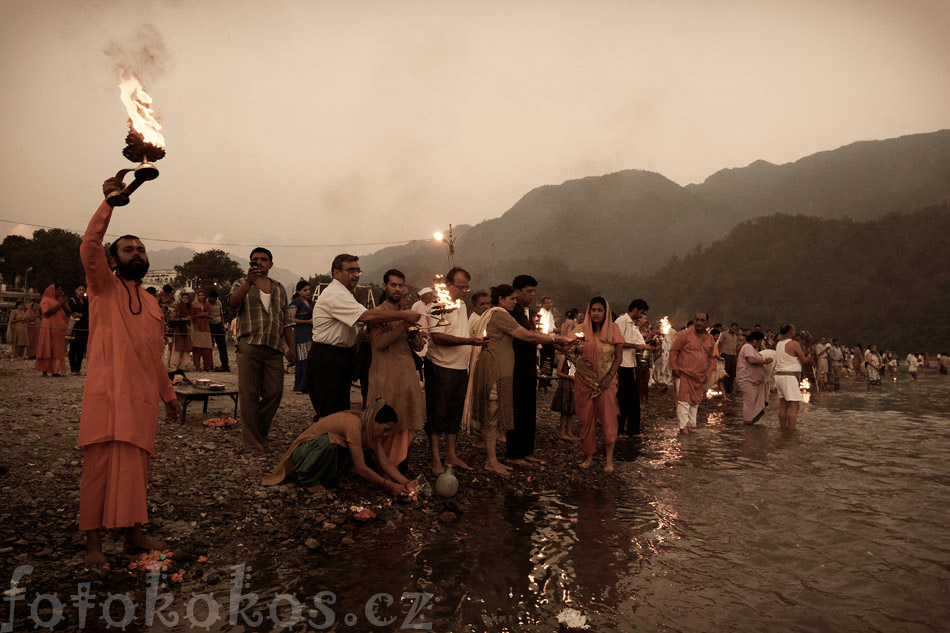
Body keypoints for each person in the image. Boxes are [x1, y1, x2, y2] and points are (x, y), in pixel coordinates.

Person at [78, 180, 182, 571]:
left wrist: (168, 396)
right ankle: (93, 542)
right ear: (113, 257)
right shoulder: (102, 287)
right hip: (107, 398)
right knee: (99, 471)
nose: (136, 254)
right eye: (127, 249)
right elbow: (88, 247)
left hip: (141, 403)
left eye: (140, 249)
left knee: (137, 469)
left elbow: (154, 356)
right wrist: (108, 205)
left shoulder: (154, 303)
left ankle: (133, 535)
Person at [464, 284, 572, 476]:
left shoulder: (495, 314)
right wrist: (556, 340)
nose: (515, 302)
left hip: (500, 367)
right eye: (512, 299)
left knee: (494, 415)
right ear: (501, 300)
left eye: (515, 298)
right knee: (492, 414)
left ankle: (493, 459)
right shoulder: (499, 314)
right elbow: (527, 336)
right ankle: (491, 461)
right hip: (494, 368)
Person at [308, 254, 420, 419]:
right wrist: (403, 316)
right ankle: (324, 442)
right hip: (328, 357)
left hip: (342, 356)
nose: (356, 275)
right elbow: (366, 317)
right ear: (336, 273)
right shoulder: (335, 294)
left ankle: (335, 442)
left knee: (340, 410)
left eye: (358, 270)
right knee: (331, 413)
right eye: (351, 270)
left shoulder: (345, 293)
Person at [262, 399, 416, 496]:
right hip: (303, 455)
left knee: (348, 449)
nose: (385, 435)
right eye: (385, 429)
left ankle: (328, 478)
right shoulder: (354, 425)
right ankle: (308, 480)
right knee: (332, 442)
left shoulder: (369, 431)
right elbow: (361, 468)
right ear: (375, 421)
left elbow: (386, 463)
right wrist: (389, 486)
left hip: (318, 455)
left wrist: (406, 482)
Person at [228, 248, 296, 456]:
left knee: (274, 392)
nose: (259, 263)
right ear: (250, 264)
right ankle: (252, 444)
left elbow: (286, 320)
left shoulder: (278, 288)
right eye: (254, 260)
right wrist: (248, 283)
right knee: (249, 395)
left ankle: (257, 432)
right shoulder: (241, 283)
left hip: (274, 348)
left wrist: (291, 347)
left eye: (263, 260)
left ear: (270, 264)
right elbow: (231, 304)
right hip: (249, 344)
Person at [424, 267, 485, 475]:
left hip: (461, 367)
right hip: (441, 366)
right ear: (448, 285)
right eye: (460, 287)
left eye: (467, 287)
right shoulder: (436, 304)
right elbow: (438, 337)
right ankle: (434, 458)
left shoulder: (461, 305)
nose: (463, 291)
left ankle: (451, 453)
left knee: (454, 414)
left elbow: (461, 330)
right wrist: (469, 341)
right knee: (437, 413)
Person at [366, 269, 427, 468]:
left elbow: (418, 346)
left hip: (406, 374)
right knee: (385, 418)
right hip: (385, 374)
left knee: (406, 418)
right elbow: (380, 342)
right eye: (393, 285)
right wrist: (402, 323)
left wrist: (413, 334)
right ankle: (382, 465)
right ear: (384, 286)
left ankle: (401, 462)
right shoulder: (379, 313)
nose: (397, 289)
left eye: (401, 285)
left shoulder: (406, 311)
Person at [572, 296, 623, 471]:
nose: (596, 313)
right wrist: (575, 356)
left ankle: (609, 460)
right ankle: (589, 457)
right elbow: (566, 348)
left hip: (606, 383)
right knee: (586, 420)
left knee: (608, 420)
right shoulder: (581, 330)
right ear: (589, 311)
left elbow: (618, 358)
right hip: (584, 381)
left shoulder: (613, 329)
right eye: (593, 309)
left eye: (600, 310)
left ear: (605, 312)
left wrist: (609, 378)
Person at [508, 274, 543, 466]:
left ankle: (527, 451)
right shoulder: (512, 312)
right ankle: (514, 454)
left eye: (534, 291)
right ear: (517, 291)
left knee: (529, 411)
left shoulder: (528, 313)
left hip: (528, 368)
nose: (532, 295)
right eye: (529, 291)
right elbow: (527, 337)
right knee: (518, 412)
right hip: (517, 368)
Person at [669, 312, 716, 434]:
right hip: (683, 373)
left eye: (702, 320)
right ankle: (683, 427)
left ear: (707, 323)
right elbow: (674, 350)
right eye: (697, 320)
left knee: (695, 402)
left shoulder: (710, 338)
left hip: (700, 376)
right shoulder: (684, 334)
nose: (699, 323)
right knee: (683, 401)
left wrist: (707, 373)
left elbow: (711, 357)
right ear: (694, 321)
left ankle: (691, 425)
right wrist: (675, 368)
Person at [615, 299, 648, 435]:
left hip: (630, 364)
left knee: (632, 398)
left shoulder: (632, 325)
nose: (641, 316)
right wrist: (635, 346)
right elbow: (618, 342)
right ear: (635, 310)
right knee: (624, 398)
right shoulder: (621, 321)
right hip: (622, 364)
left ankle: (632, 429)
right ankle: (621, 428)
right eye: (641, 312)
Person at [774, 324, 810, 430]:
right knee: (794, 406)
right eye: (794, 330)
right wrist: (810, 359)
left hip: (780, 376)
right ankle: (791, 432)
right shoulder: (794, 343)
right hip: (789, 377)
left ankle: (783, 430)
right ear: (790, 332)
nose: (796, 332)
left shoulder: (779, 344)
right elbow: (803, 360)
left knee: (783, 405)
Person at [736, 331, 773, 424]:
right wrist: (765, 362)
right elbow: (751, 360)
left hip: (753, 380)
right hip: (746, 379)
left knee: (752, 400)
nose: (761, 343)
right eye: (760, 340)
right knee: (750, 400)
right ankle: (748, 421)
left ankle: (752, 420)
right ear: (755, 340)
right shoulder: (747, 347)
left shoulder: (752, 348)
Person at [35, 284, 70, 377]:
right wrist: (60, 304)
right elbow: (47, 312)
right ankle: (44, 370)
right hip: (48, 327)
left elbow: (68, 313)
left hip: (58, 329)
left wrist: (63, 304)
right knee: (47, 347)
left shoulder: (60, 300)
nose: (60, 292)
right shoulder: (45, 300)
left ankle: (55, 370)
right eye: (58, 290)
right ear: (53, 291)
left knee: (57, 349)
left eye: (61, 290)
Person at [289, 280, 314, 394]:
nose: (307, 292)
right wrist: (307, 321)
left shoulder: (311, 302)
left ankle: (307, 386)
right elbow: (291, 319)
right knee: (301, 359)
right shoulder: (295, 303)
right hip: (300, 333)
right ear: (299, 291)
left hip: (310, 334)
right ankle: (298, 386)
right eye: (305, 290)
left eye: (308, 290)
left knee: (309, 360)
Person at [551, 347, 578, 442]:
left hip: (574, 385)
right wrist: (569, 377)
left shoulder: (577, 357)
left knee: (571, 409)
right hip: (566, 384)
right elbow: (558, 372)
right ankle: (562, 432)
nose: (571, 348)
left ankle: (569, 431)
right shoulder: (563, 357)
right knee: (565, 409)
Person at [166, 292, 195, 374]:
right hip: (178, 329)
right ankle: (173, 366)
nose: (185, 299)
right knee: (177, 348)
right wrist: (183, 319)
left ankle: (183, 366)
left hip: (187, 329)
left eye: (187, 298)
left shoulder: (190, 308)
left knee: (186, 348)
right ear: (181, 299)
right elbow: (172, 318)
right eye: (183, 298)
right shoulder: (178, 307)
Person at [67, 285, 90, 375]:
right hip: (75, 326)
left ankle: (78, 368)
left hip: (84, 326)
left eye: (83, 290)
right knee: (73, 347)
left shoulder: (86, 301)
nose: (81, 291)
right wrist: (83, 315)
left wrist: (81, 315)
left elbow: (89, 312)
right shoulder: (72, 300)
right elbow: (73, 312)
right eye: (79, 290)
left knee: (81, 347)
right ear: (75, 290)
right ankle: (73, 368)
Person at [207, 290, 230, 372]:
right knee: (209, 347)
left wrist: (223, 326)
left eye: (216, 299)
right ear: (209, 298)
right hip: (209, 326)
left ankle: (225, 365)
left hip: (218, 325)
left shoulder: (219, 303)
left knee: (222, 346)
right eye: (213, 299)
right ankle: (210, 365)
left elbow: (221, 314)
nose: (215, 300)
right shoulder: (205, 303)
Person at [190, 289, 214, 371]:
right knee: (196, 349)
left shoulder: (208, 305)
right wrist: (200, 315)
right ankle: (197, 366)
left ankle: (207, 367)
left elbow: (211, 317)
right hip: (196, 328)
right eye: (199, 295)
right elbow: (191, 317)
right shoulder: (193, 305)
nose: (201, 297)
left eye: (202, 295)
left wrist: (207, 315)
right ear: (196, 296)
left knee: (207, 349)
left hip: (206, 329)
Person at [717, 323, 740, 394]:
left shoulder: (735, 336)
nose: (734, 330)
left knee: (732, 373)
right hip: (725, 355)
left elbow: (735, 347)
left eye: (736, 329)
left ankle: (730, 390)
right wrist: (718, 354)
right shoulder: (724, 334)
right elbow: (719, 344)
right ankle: (724, 390)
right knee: (725, 373)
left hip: (733, 355)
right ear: (730, 327)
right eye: (733, 328)